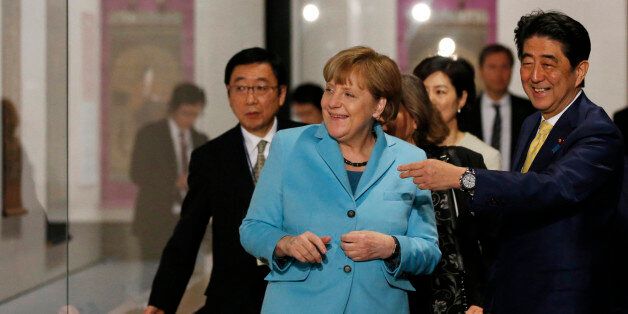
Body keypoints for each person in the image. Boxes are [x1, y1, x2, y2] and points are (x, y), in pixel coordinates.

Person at [399, 10, 624, 313]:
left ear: (579, 70)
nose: (534, 76)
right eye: (527, 62)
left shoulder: (596, 130)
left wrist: (463, 177)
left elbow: (552, 187)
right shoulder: (533, 123)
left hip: (566, 297)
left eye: (548, 63)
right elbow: (515, 209)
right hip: (517, 289)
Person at [239, 46, 441, 313]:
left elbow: (429, 251)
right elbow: (252, 228)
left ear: (378, 106)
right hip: (297, 304)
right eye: (329, 89)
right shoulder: (289, 146)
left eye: (348, 94)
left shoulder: (410, 158)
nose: (333, 102)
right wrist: (286, 244)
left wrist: (390, 246)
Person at [144, 47, 303, 314]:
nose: (250, 99)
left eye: (261, 88)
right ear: (229, 95)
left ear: (281, 94)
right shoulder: (210, 157)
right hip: (233, 297)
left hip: (300, 292)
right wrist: (162, 301)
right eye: (240, 89)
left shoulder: (309, 143)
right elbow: (187, 234)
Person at [382, 75, 493, 314]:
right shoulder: (370, 174)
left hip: (463, 305)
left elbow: (490, 240)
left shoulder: (461, 161)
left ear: (414, 117)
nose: (381, 118)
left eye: (390, 109)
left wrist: (483, 300)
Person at [130, 82, 208, 262]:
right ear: (173, 109)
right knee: (152, 279)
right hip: (155, 220)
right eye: (186, 113)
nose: (190, 119)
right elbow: (137, 173)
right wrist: (175, 182)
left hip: (190, 221)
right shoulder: (149, 134)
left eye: (196, 114)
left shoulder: (201, 140)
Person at [413, 56, 502, 170]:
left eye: (440, 91)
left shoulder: (486, 155)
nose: (430, 99)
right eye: (424, 91)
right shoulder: (409, 147)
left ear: (461, 99)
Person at [459, 44, 536, 170]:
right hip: (476, 183)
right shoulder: (466, 110)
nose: (498, 73)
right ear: (481, 70)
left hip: (517, 184)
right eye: (492, 67)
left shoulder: (530, 110)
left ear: (512, 70)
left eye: (504, 67)